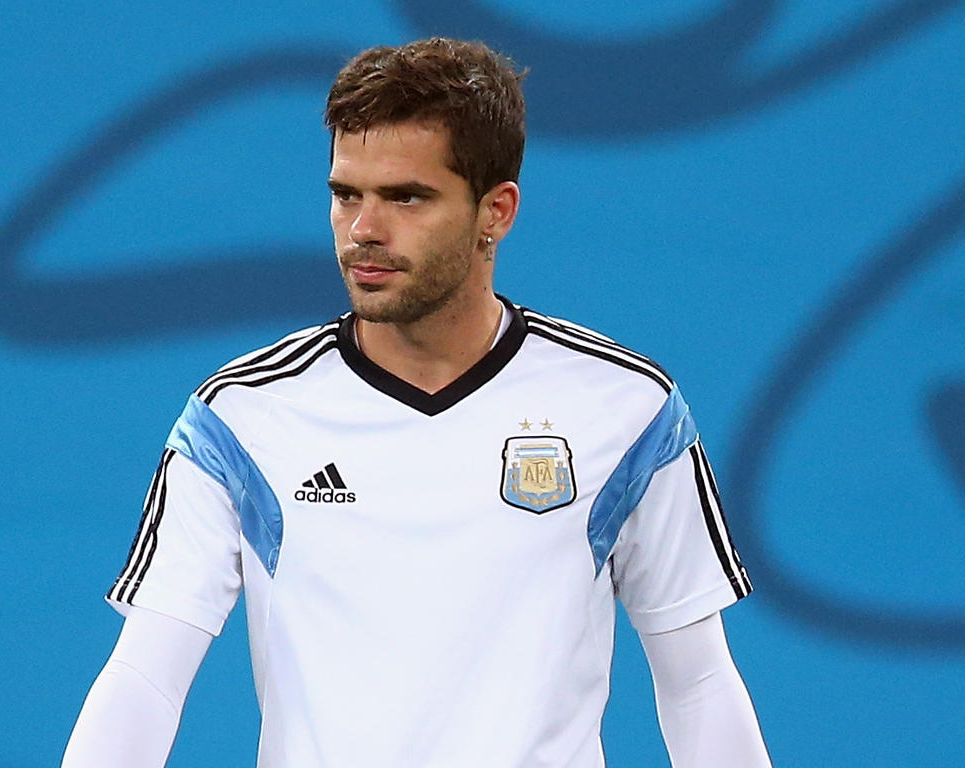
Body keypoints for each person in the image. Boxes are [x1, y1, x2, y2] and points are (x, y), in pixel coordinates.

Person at [62, 37, 771, 768]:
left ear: (496, 211)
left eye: (407, 197)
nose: (364, 230)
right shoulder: (239, 418)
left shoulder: (628, 411)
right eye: (346, 195)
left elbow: (699, 685)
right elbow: (145, 678)